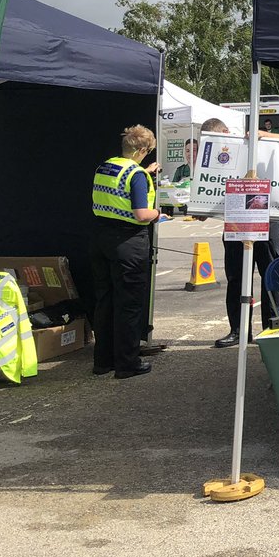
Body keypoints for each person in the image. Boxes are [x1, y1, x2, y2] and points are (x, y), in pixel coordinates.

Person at [200, 118, 279, 348]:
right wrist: (201, 209)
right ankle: (238, 330)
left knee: (271, 275)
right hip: (236, 225)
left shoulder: (252, 142)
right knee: (236, 278)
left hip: (267, 220)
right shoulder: (214, 159)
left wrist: (261, 134)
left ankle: (272, 327)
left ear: (226, 133)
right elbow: (210, 191)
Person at [90, 124, 164, 379]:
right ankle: (127, 363)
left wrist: (144, 171)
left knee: (105, 302)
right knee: (129, 305)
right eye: (147, 152)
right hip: (129, 242)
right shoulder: (137, 176)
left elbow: (120, 186)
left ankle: (103, 361)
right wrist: (159, 214)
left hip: (101, 238)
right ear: (142, 150)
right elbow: (141, 214)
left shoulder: (106, 166)